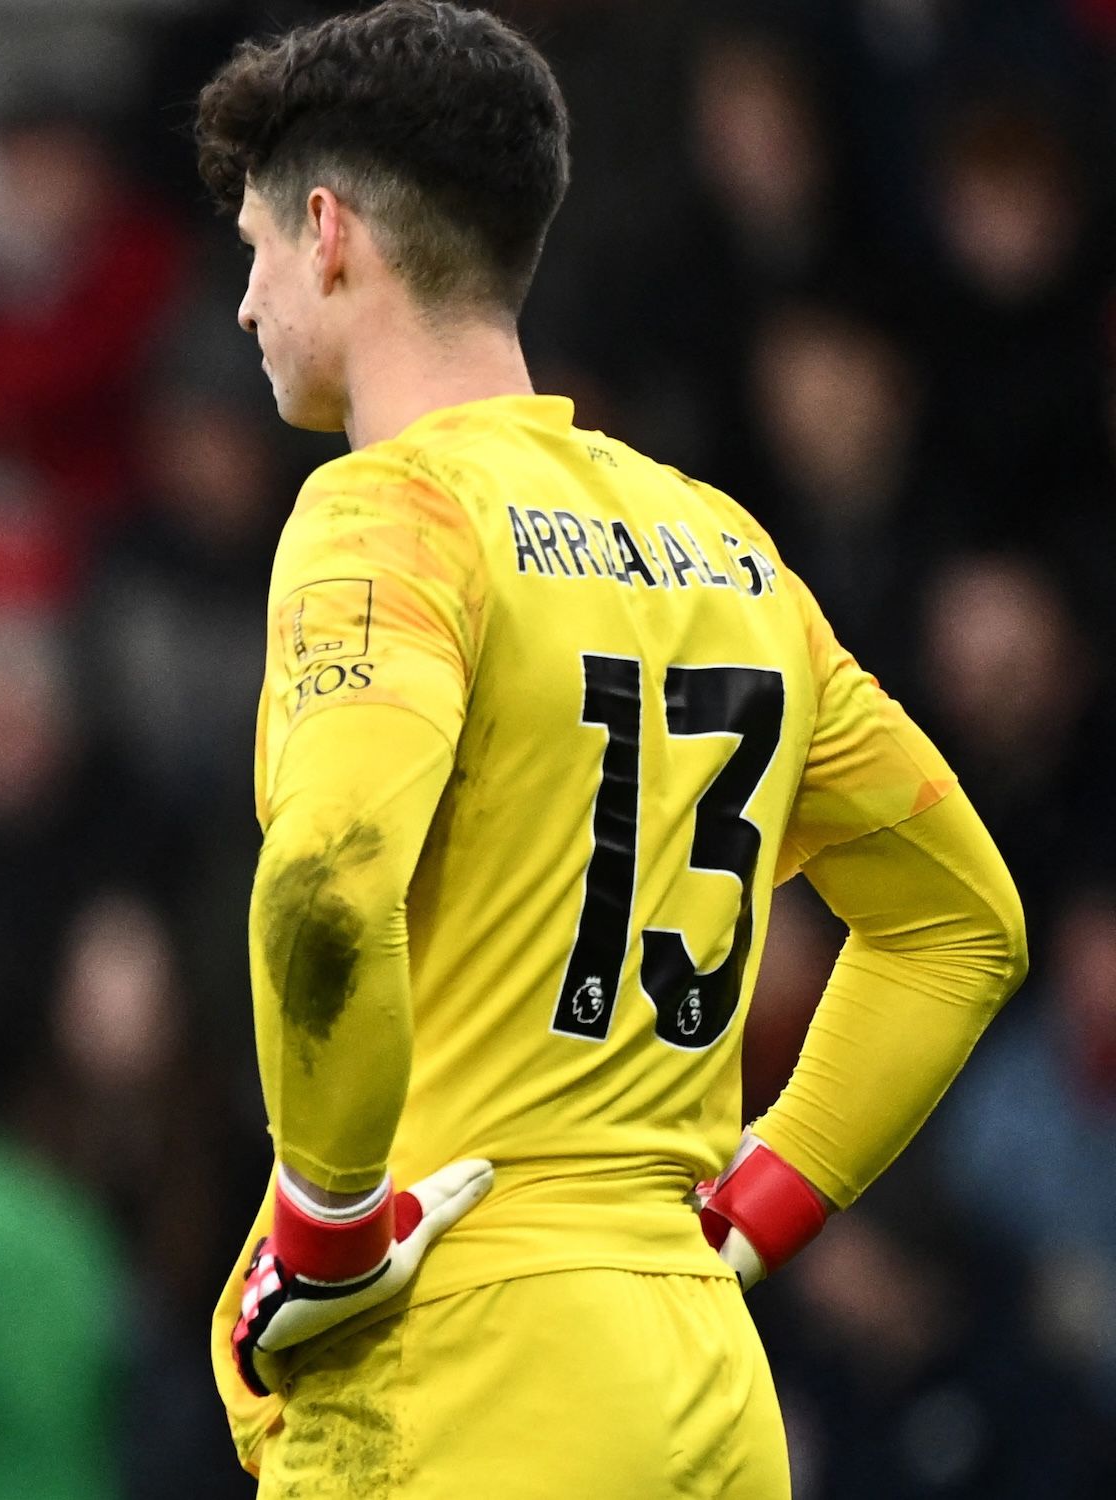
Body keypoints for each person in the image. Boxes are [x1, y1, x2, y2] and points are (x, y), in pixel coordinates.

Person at [187, 4, 1030, 1495]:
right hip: (701, 1375)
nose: (245, 305)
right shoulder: (729, 554)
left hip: (465, 1358)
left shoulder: (388, 518)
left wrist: (325, 1232)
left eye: (253, 250)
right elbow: (961, 926)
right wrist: (753, 1213)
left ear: (329, 233)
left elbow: (324, 892)